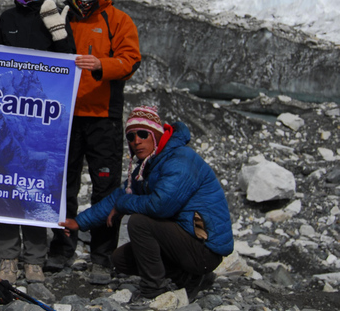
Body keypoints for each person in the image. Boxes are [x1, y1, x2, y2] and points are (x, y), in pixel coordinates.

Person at [60, 106, 233, 303]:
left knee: (139, 222)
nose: (137, 141)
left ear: (156, 136)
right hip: (186, 240)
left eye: (143, 134)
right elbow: (117, 196)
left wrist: (123, 204)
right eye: (131, 137)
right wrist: (79, 223)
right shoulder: (150, 164)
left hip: (204, 248)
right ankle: (189, 278)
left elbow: (161, 206)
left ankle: (153, 289)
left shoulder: (179, 159)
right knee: (121, 259)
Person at [49, 0, 141, 274]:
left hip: (103, 117)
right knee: (65, 185)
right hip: (66, 115)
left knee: (105, 188)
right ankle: (62, 246)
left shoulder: (118, 20)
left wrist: (103, 64)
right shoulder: (62, 14)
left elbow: (131, 60)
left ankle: (102, 256)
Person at [0, 0, 75, 284]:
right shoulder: (7, 18)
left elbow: (69, 56)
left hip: (41, 115)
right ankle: (7, 257)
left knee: (35, 187)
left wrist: (55, 25)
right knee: (6, 185)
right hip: (9, 112)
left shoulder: (56, 15)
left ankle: (34, 260)